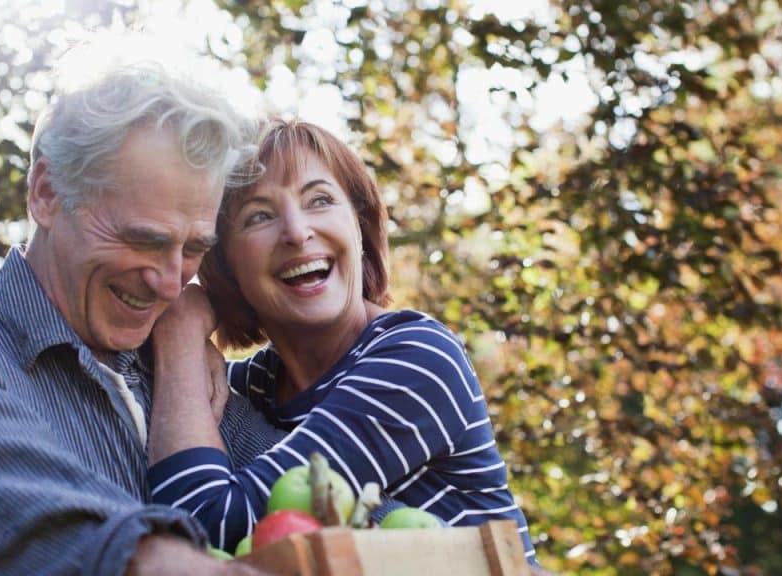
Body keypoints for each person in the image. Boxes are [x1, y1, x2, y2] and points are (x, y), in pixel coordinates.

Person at [0, 39, 269, 575]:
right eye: (142, 239)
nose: (171, 284)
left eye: (193, 248)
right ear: (46, 193)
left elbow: (342, 501)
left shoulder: (179, 372)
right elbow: (62, 541)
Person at [145, 119, 539, 565]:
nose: (296, 232)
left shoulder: (418, 360)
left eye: (320, 200)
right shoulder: (253, 385)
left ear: (360, 227)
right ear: (226, 265)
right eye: (260, 215)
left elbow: (204, 526)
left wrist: (179, 334)